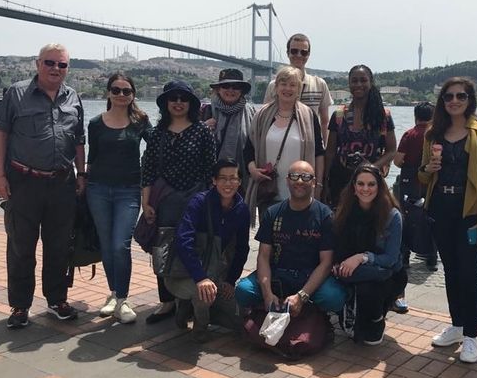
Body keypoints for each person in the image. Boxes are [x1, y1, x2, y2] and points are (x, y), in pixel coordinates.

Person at [0, 44, 86, 329]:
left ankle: (57, 300)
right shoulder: (17, 94)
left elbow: (79, 141)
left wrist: (81, 174)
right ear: (37, 64)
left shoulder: (73, 97)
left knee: (59, 247)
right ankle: (20, 306)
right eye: (50, 63)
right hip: (24, 181)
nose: (56, 69)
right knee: (21, 246)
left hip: (62, 182)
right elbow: (1, 135)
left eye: (62, 65)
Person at [419, 78, 477, 364]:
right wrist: (428, 168)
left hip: (471, 213)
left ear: (470, 99)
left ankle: (471, 336)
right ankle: (456, 325)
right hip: (441, 209)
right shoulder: (433, 134)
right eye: (448, 96)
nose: (454, 100)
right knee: (451, 270)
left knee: (469, 273)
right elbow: (423, 176)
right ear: (442, 101)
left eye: (460, 96)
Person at [141, 81, 216, 324]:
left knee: (195, 248)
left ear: (191, 104)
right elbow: (148, 170)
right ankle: (167, 302)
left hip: (196, 199)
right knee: (162, 249)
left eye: (184, 98)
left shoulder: (202, 131)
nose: (178, 102)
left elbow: (209, 170)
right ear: (165, 103)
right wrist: (146, 202)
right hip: (165, 201)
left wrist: (208, 201)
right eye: (173, 98)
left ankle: (192, 300)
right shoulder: (156, 134)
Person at [235, 160, 346, 316]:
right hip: (278, 274)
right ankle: (269, 304)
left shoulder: (325, 216)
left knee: (334, 298)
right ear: (287, 181)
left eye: (306, 177)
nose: (299, 181)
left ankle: (310, 312)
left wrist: (302, 296)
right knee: (243, 290)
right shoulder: (273, 213)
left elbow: (326, 263)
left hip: (309, 276)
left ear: (313, 183)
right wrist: (267, 293)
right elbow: (263, 257)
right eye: (294, 176)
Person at [86, 73, 151, 324]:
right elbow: (92, 158)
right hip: (98, 189)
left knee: (119, 245)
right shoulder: (95, 123)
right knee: (106, 245)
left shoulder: (140, 121)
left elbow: (158, 147)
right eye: (116, 90)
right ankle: (113, 294)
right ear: (108, 93)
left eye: (126, 91)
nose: (121, 95)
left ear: (133, 94)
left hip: (129, 190)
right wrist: (82, 181)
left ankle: (123, 299)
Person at [165, 158, 250, 339]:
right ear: (214, 180)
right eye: (222, 178)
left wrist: (230, 280)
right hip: (186, 270)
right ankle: (200, 326)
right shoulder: (199, 202)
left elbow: (242, 249)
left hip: (215, 270)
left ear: (240, 181)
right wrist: (200, 277)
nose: (228, 184)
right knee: (203, 291)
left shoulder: (241, 210)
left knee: (238, 317)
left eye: (233, 178)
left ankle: (188, 307)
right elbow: (183, 240)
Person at [332, 164, 407, 345]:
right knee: (358, 278)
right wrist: (337, 264)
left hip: (384, 273)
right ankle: (353, 306)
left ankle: (376, 317)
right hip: (356, 270)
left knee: (374, 281)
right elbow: (337, 246)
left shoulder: (392, 215)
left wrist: (361, 257)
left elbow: (390, 259)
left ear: (379, 186)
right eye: (361, 184)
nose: (366, 189)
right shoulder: (344, 211)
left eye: (371, 184)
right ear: (354, 187)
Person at [245, 66, 325, 223]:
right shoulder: (262, 116)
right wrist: (253, 170)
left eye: (293, 84)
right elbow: (248, 149)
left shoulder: (309, 116)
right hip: (269, 191)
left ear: (299, 89)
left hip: (301, 191)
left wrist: (319, 185)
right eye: (283, 83)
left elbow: (319, 153)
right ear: (276, 87)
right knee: (269, 240)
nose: (287, 88)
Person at [324, 64, 396, 207]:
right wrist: (324, 183)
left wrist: (372, 168)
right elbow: (330, 152)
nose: (358, 84)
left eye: (363, 80)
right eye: (354, 81)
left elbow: (392, 151)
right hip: (340, 180)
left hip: (370, 184)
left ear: (371, 82)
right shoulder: (339, 115)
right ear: (349, 84)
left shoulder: (382, 116)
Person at [393, 101, 437, 283]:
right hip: (431, 181)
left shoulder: (409, 135)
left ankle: (405, 257)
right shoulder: (436, 135)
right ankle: (432, 257)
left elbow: (397, 161)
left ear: (415, 115)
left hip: (410, 180)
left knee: (405, 216)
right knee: (431, 216)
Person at [263, 33, 332, 140]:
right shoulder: (273, 86)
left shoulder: (320, 84)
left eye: (303, 52)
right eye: (294, 51)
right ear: (287, 53)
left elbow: (324, 122)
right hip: (279, 144)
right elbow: (265, 118)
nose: (299, 55)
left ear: (308, 55)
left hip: (310, 146)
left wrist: (325, 149)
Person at [202, 69, 256, 187]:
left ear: (241, 91)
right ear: (218, 89)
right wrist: (203, 128)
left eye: (236, 86)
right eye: (226, 85)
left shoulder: (252, 112)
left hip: (242, 179)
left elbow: (256, 145)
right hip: (211, 180)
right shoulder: (205, 111)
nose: (230, 90)